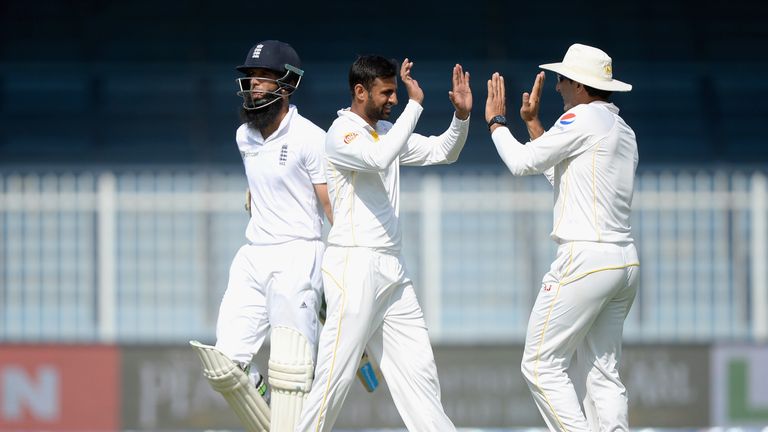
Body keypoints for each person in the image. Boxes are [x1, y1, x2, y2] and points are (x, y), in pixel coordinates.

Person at [295, 55, 472, 432]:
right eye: (386, 92)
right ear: (360, 92)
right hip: (354, 266)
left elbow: (444, 151)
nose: (393, 99)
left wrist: (461, 117)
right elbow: (377, 158)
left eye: (395, 91)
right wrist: (416, 104)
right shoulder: (341, 134)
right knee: (335, 377)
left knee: (419, 374)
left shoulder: (387, 131)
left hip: (393, 267)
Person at [485, 43, 640, 431]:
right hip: (623, 261)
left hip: (585, 259)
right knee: (602, 372)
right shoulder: (621, 128)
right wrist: (535, 126)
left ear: (581, 86)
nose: (557, 87)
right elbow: (565, 179)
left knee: (539, 364)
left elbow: (520, 163)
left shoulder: (583, 118)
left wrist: (497, 123)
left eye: (561, 79)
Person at [190, 39, 332, 432]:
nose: (254, 85)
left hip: (298, 255)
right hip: (254, 255)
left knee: (293, 373)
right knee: (225, 364)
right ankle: (262, 394)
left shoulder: (311, 138)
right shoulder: (244, 137)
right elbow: (264, 179)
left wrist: (340, 265)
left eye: (263, 78)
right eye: (251, 78)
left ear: (286, 84)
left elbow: (330, 206)